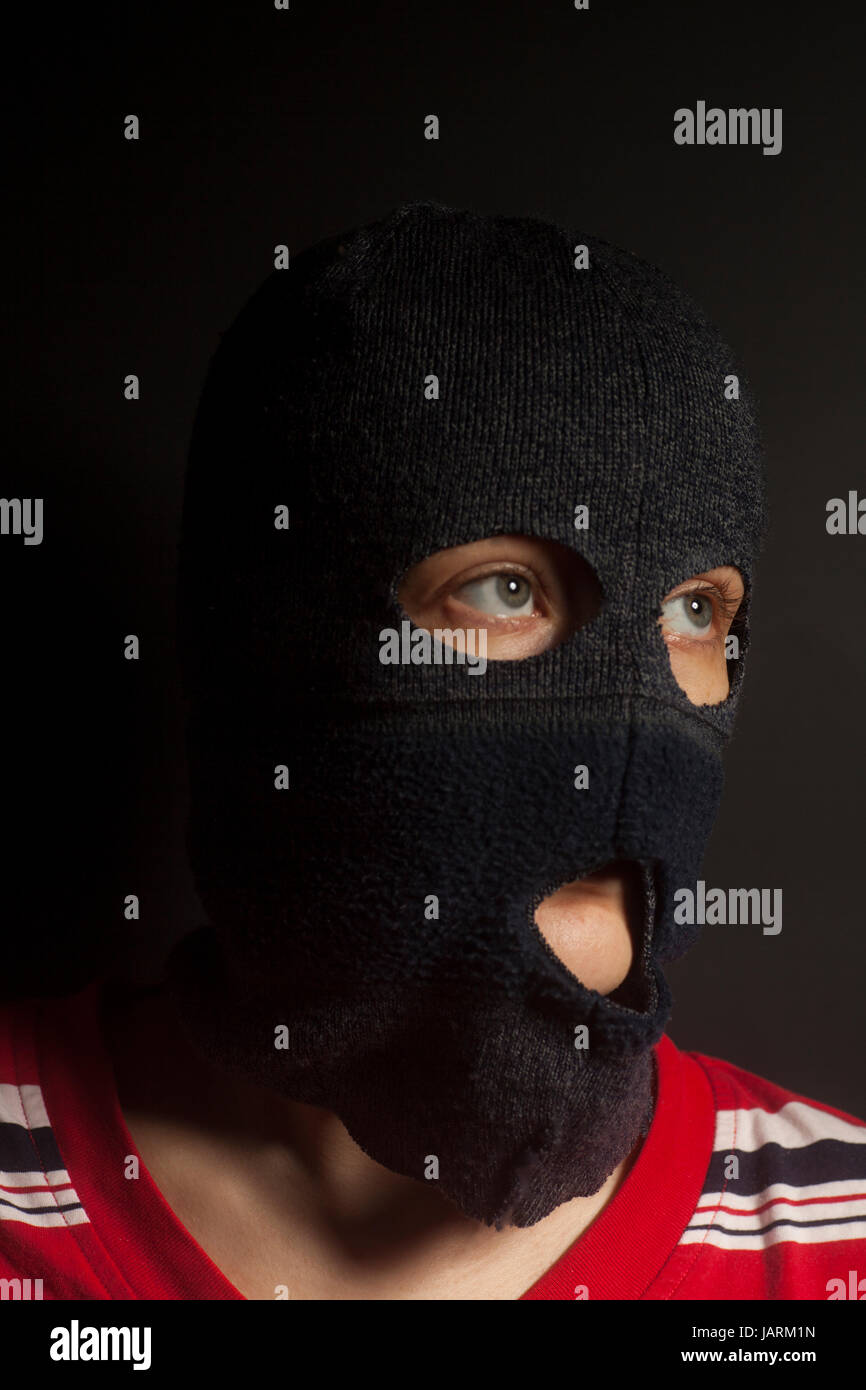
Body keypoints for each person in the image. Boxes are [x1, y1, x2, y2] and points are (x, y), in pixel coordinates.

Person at [2, 201, 864, 1301]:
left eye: (694, 611)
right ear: (264, 645)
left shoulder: (832, 1242)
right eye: (505, 589)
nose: (633, 726)